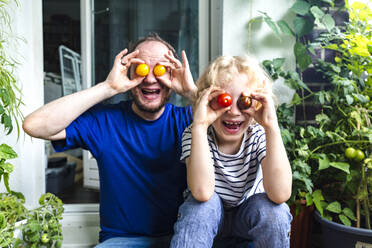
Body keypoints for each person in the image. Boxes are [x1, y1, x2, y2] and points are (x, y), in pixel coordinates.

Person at [22, 33, 197, 247]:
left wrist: (191, 92)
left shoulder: (189, 120)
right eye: (142, 69)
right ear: (129, 74)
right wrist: (108, 88)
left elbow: (238, 127)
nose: (151, 79)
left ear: (173, 76)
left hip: (180, 238)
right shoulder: (105, 121)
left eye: (161, 69)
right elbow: (35, 125)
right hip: (120, 241)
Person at [170, 55, 293, 248]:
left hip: (247, 217)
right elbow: (202, 193)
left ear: (258, 103)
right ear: (206, 102)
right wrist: (200, 125)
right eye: (223, 101)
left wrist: (272, 127)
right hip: (209, 218)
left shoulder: (258, 135)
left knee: (273, 211)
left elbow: (280, 194)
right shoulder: (196, 135)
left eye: (244, 101)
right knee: (201, 207)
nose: (234, 112)